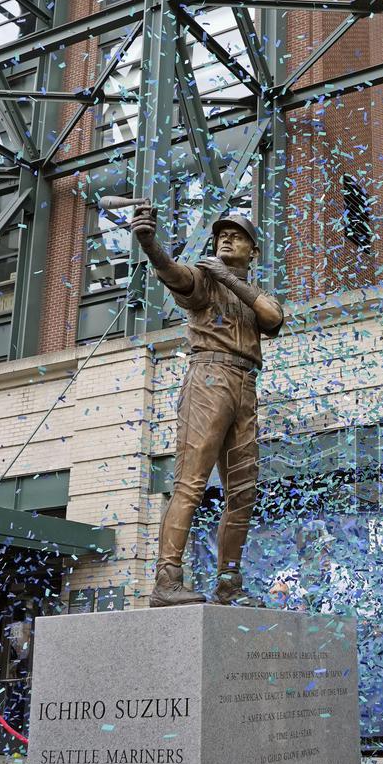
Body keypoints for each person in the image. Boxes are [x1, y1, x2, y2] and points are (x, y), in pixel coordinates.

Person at [130, 204, 285, 607]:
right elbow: (175, 275)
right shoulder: (203, 277)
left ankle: (228, 584)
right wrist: (150, 244)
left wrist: (229, 279)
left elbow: (272, 317)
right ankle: (167, 578)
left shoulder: (249, 292)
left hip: (245, 385)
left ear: (254, 250)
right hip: (209, 377)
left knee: (243, 494)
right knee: (191, 482)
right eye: (221, 234)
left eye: (237, 234)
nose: (225, 238)